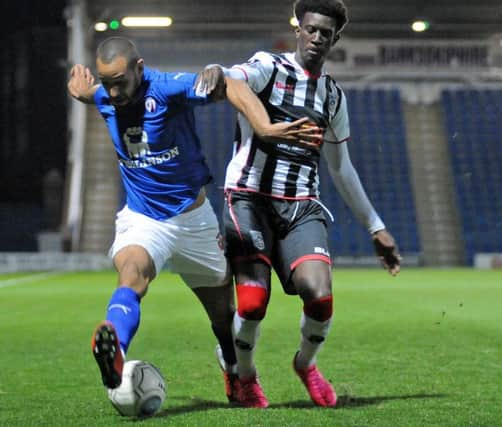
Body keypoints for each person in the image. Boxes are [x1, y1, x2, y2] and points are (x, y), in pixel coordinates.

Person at [67, 36, 320, 408]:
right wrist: (87, 92)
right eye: (107, 83)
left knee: (223, 317)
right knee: (132, 273)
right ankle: (114, 345)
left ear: (139, 68)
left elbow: (232, 84)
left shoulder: (169, 88)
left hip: (194, 223)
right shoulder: (107, 95)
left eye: (120, 80)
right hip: (143, 220)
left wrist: (263, 127)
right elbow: (99, 94)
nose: (114, 91)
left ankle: (234, 374)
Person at [197, 0, 402, 409]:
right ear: (298, 29)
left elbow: (342, 169)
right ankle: (244, 374)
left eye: (326, 33)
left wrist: (375, 226)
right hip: (248, 198)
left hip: (300, 206)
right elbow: (235, 77)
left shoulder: (332, 97)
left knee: (321, 296)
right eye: (311, 30)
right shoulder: (269, 68)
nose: (317, 38)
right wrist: (218, 70)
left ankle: (306, 364)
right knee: (253, 304)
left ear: (335, 39)